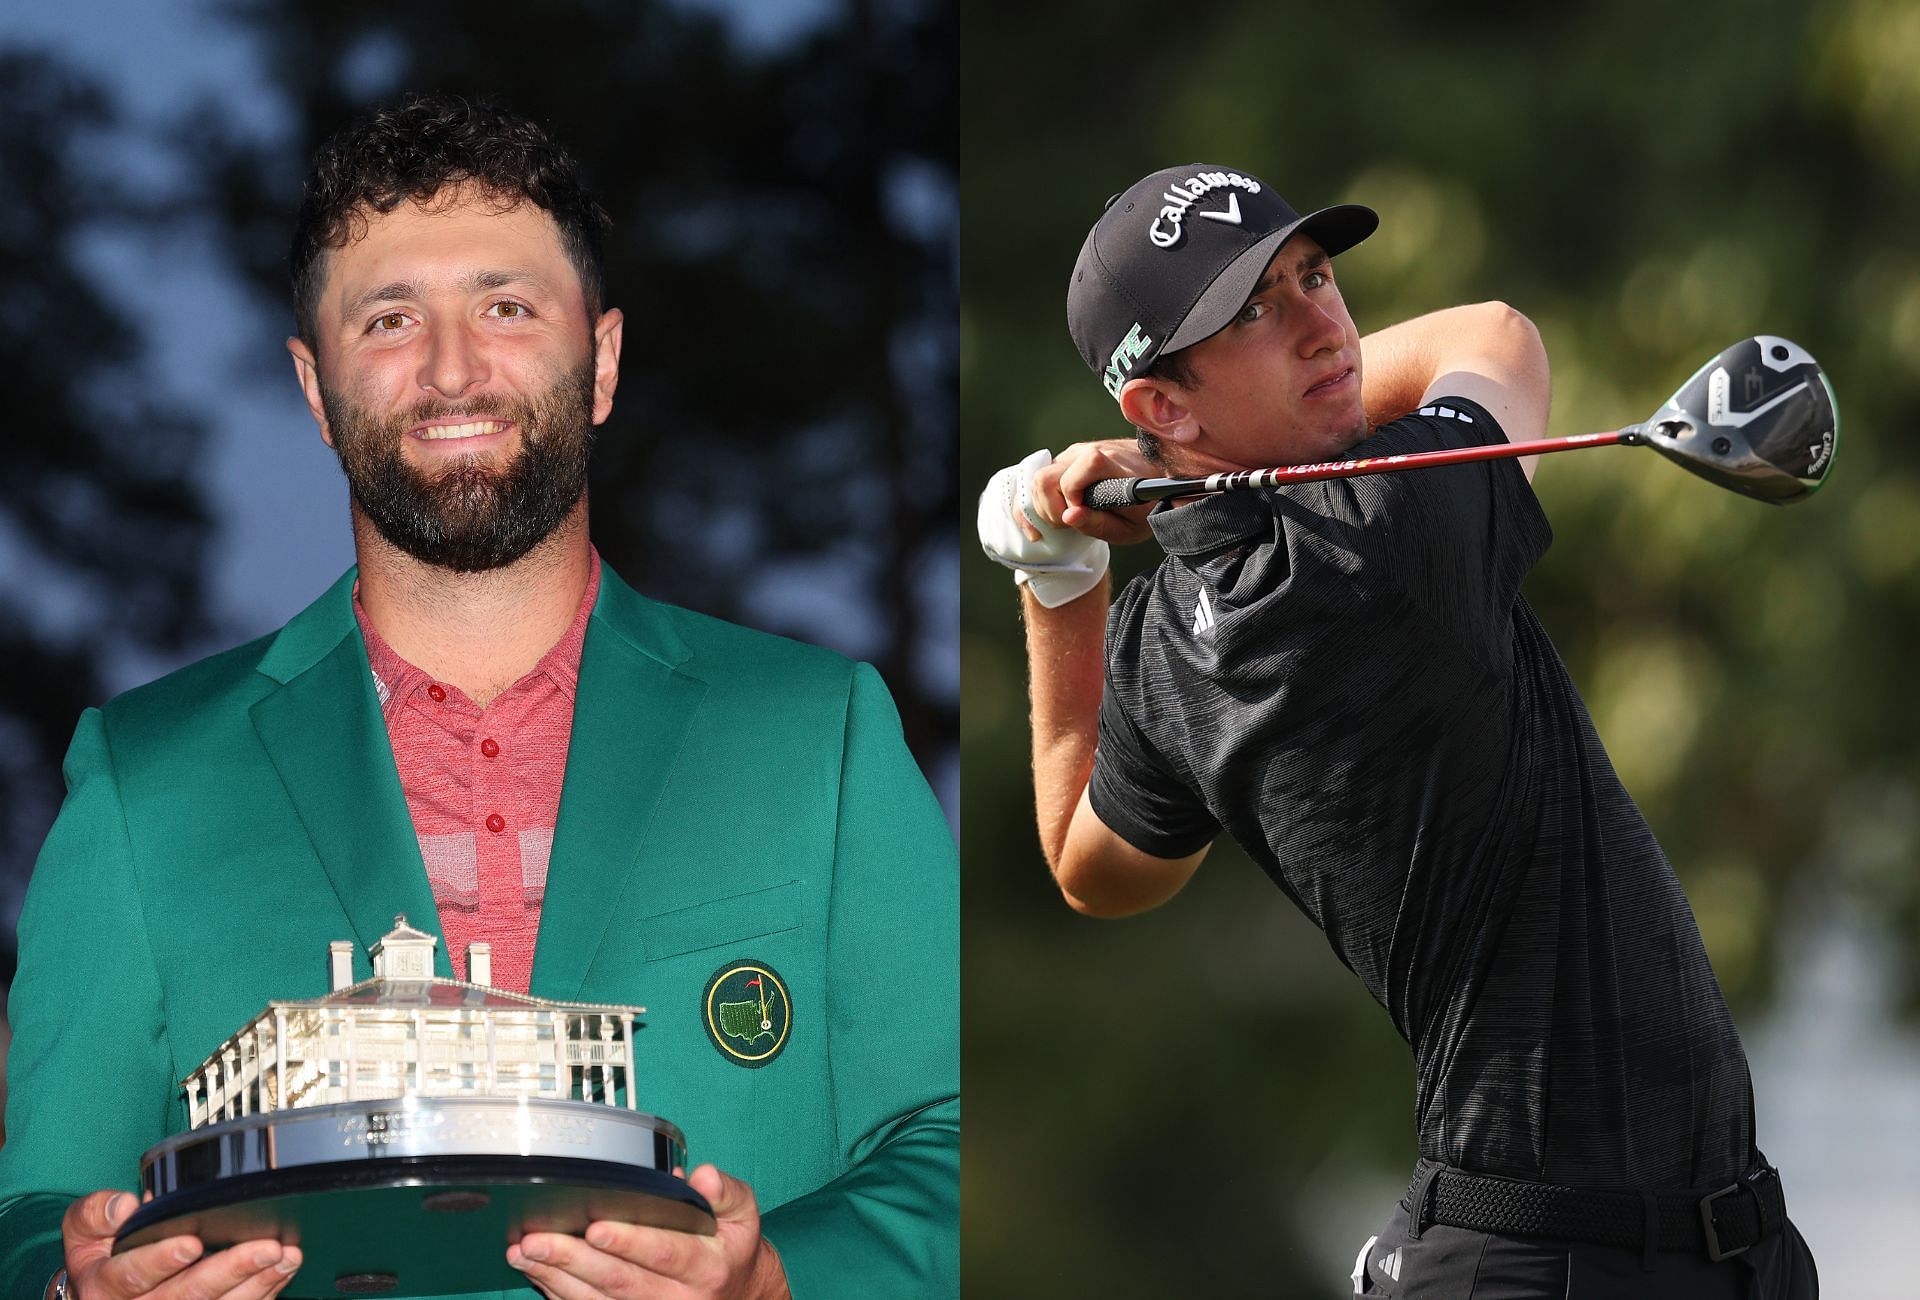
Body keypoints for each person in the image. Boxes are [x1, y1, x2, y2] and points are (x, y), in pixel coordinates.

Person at [0, 95, 957, 1300]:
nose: (452, 370)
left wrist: (779, 1283)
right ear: (313, 387)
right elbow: (35, 1206)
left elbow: (961, 1137)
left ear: (600, 360)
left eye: (505, 307)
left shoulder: (817, 732)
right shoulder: (144, 779)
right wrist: (71, 1285)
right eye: (390, 318)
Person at [978, 162, 1817, 1298]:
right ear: (1160, 402)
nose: (1325, 325)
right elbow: (1494, 333)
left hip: (1674, 1245)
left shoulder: (1165, 644)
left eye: (1314, 274)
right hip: (1552, 1260)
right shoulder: (1386, 527)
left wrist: (1057, 577)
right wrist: (1157, 478)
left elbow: (1091, 863)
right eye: (1256, 311)